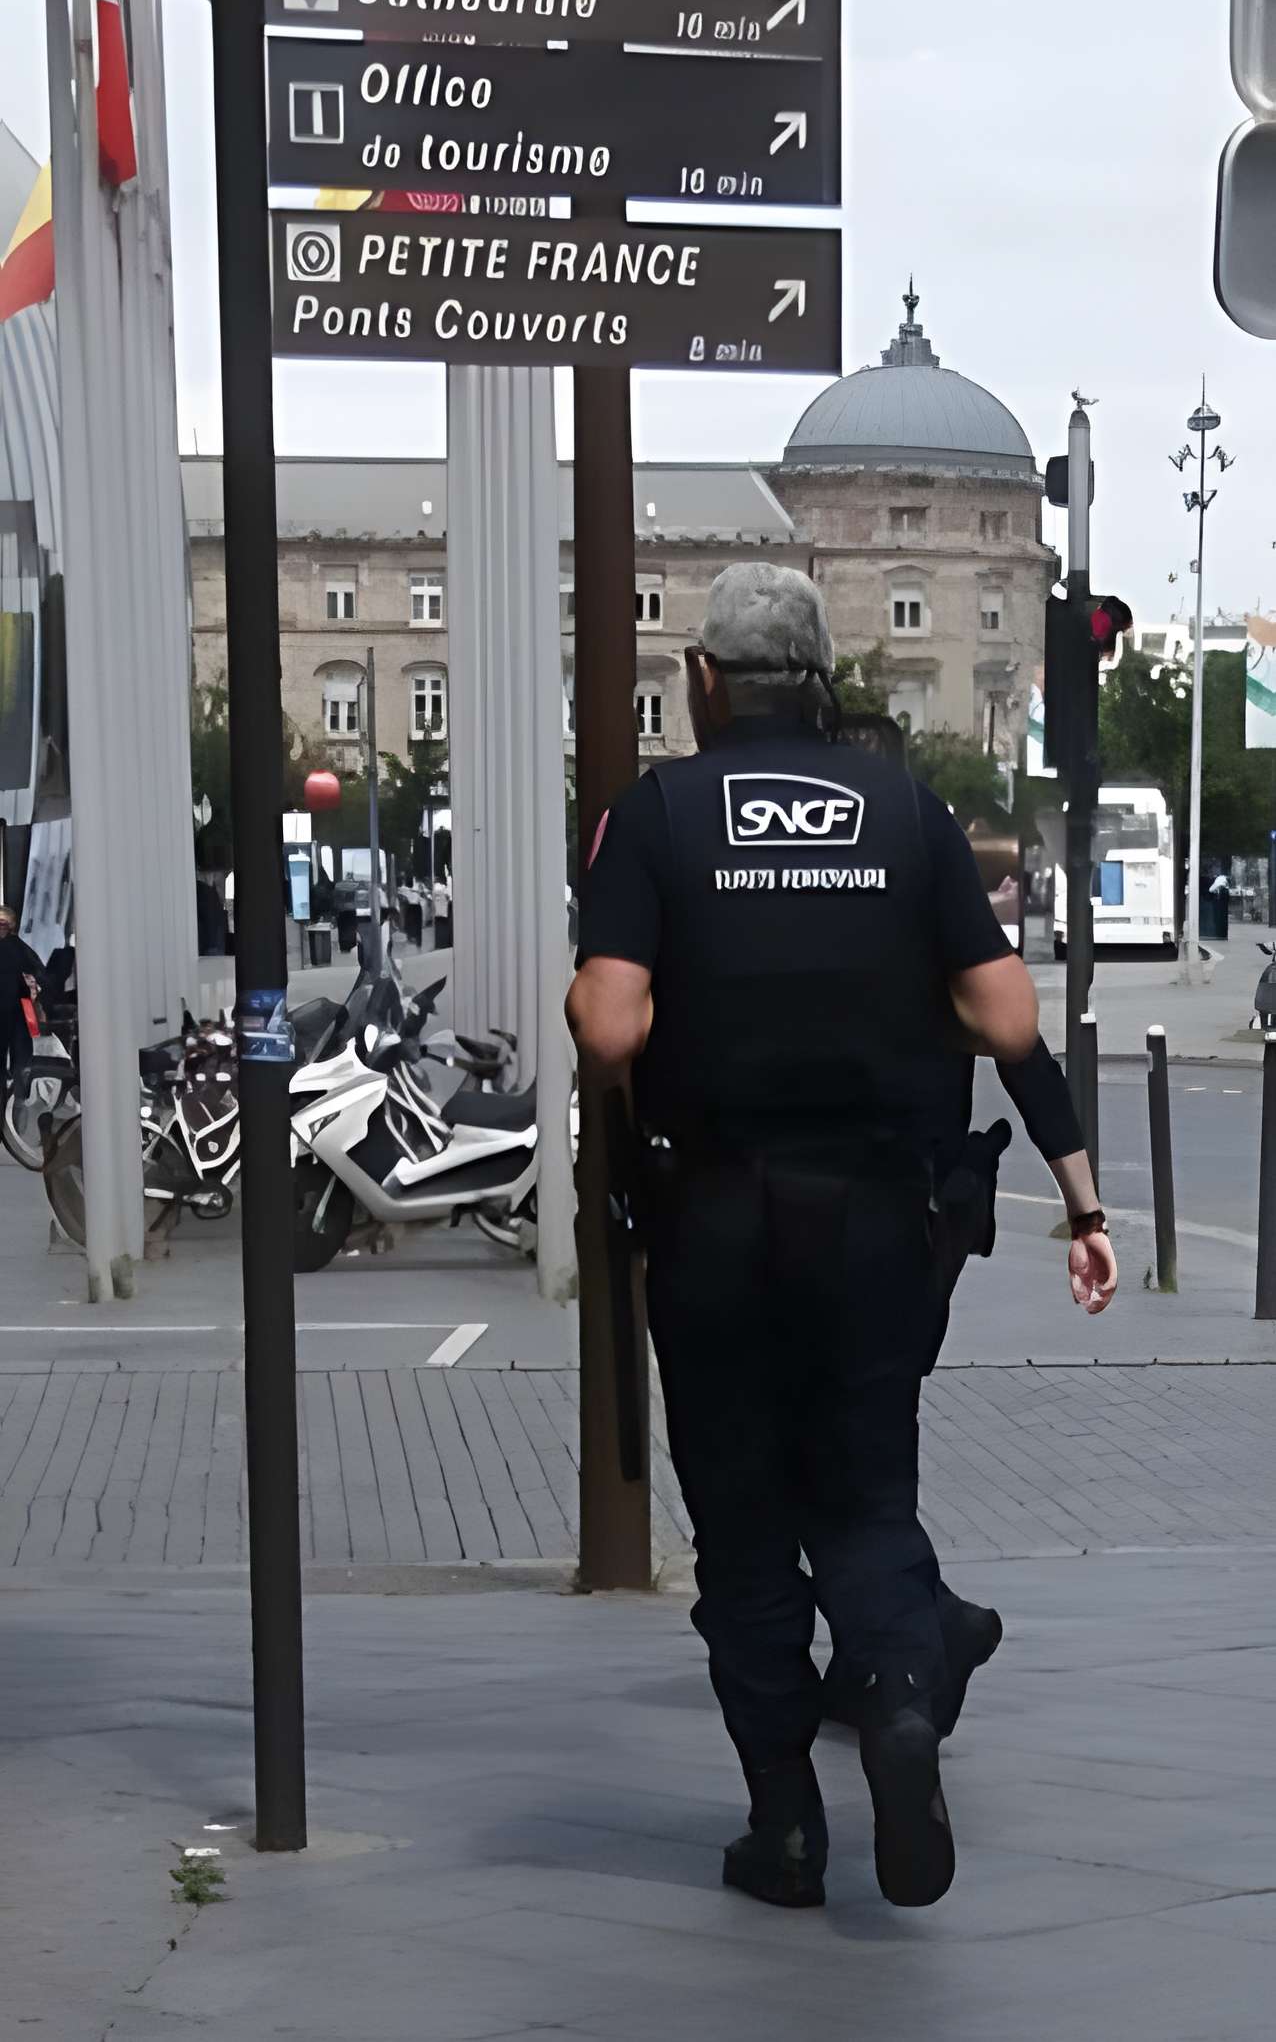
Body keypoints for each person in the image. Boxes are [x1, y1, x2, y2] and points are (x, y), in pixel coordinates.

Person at [568, 565, 1084, 1914]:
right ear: (822, 681)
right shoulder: (909, 817)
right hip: (871, 1218)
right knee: (864, 1496)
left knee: (742, 1530)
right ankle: (904, 1711)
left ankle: (786, 1825)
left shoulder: (658, 817)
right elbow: (1009, 1021)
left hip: (713, 1218)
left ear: (704, 684)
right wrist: (1080, 1195)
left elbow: (613, 1028)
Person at [821, 712, 1116, 1735]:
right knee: (865, 1445)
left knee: (834, 1453)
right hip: (914, 1221)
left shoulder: (797, 913)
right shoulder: (929, 901)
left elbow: (1023, 1050)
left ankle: (913, 1644)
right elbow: (1023, 1052)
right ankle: (902, 1642)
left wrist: (1085, 1208)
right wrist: (1084, 1208)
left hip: (838, 1219)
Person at [0, 907, 46, 1094]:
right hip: (19, 1012)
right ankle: (19, 1100)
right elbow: (41, 975)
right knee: (21, 1062)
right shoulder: (20, 948)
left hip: (15, 1012)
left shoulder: (17, 948)